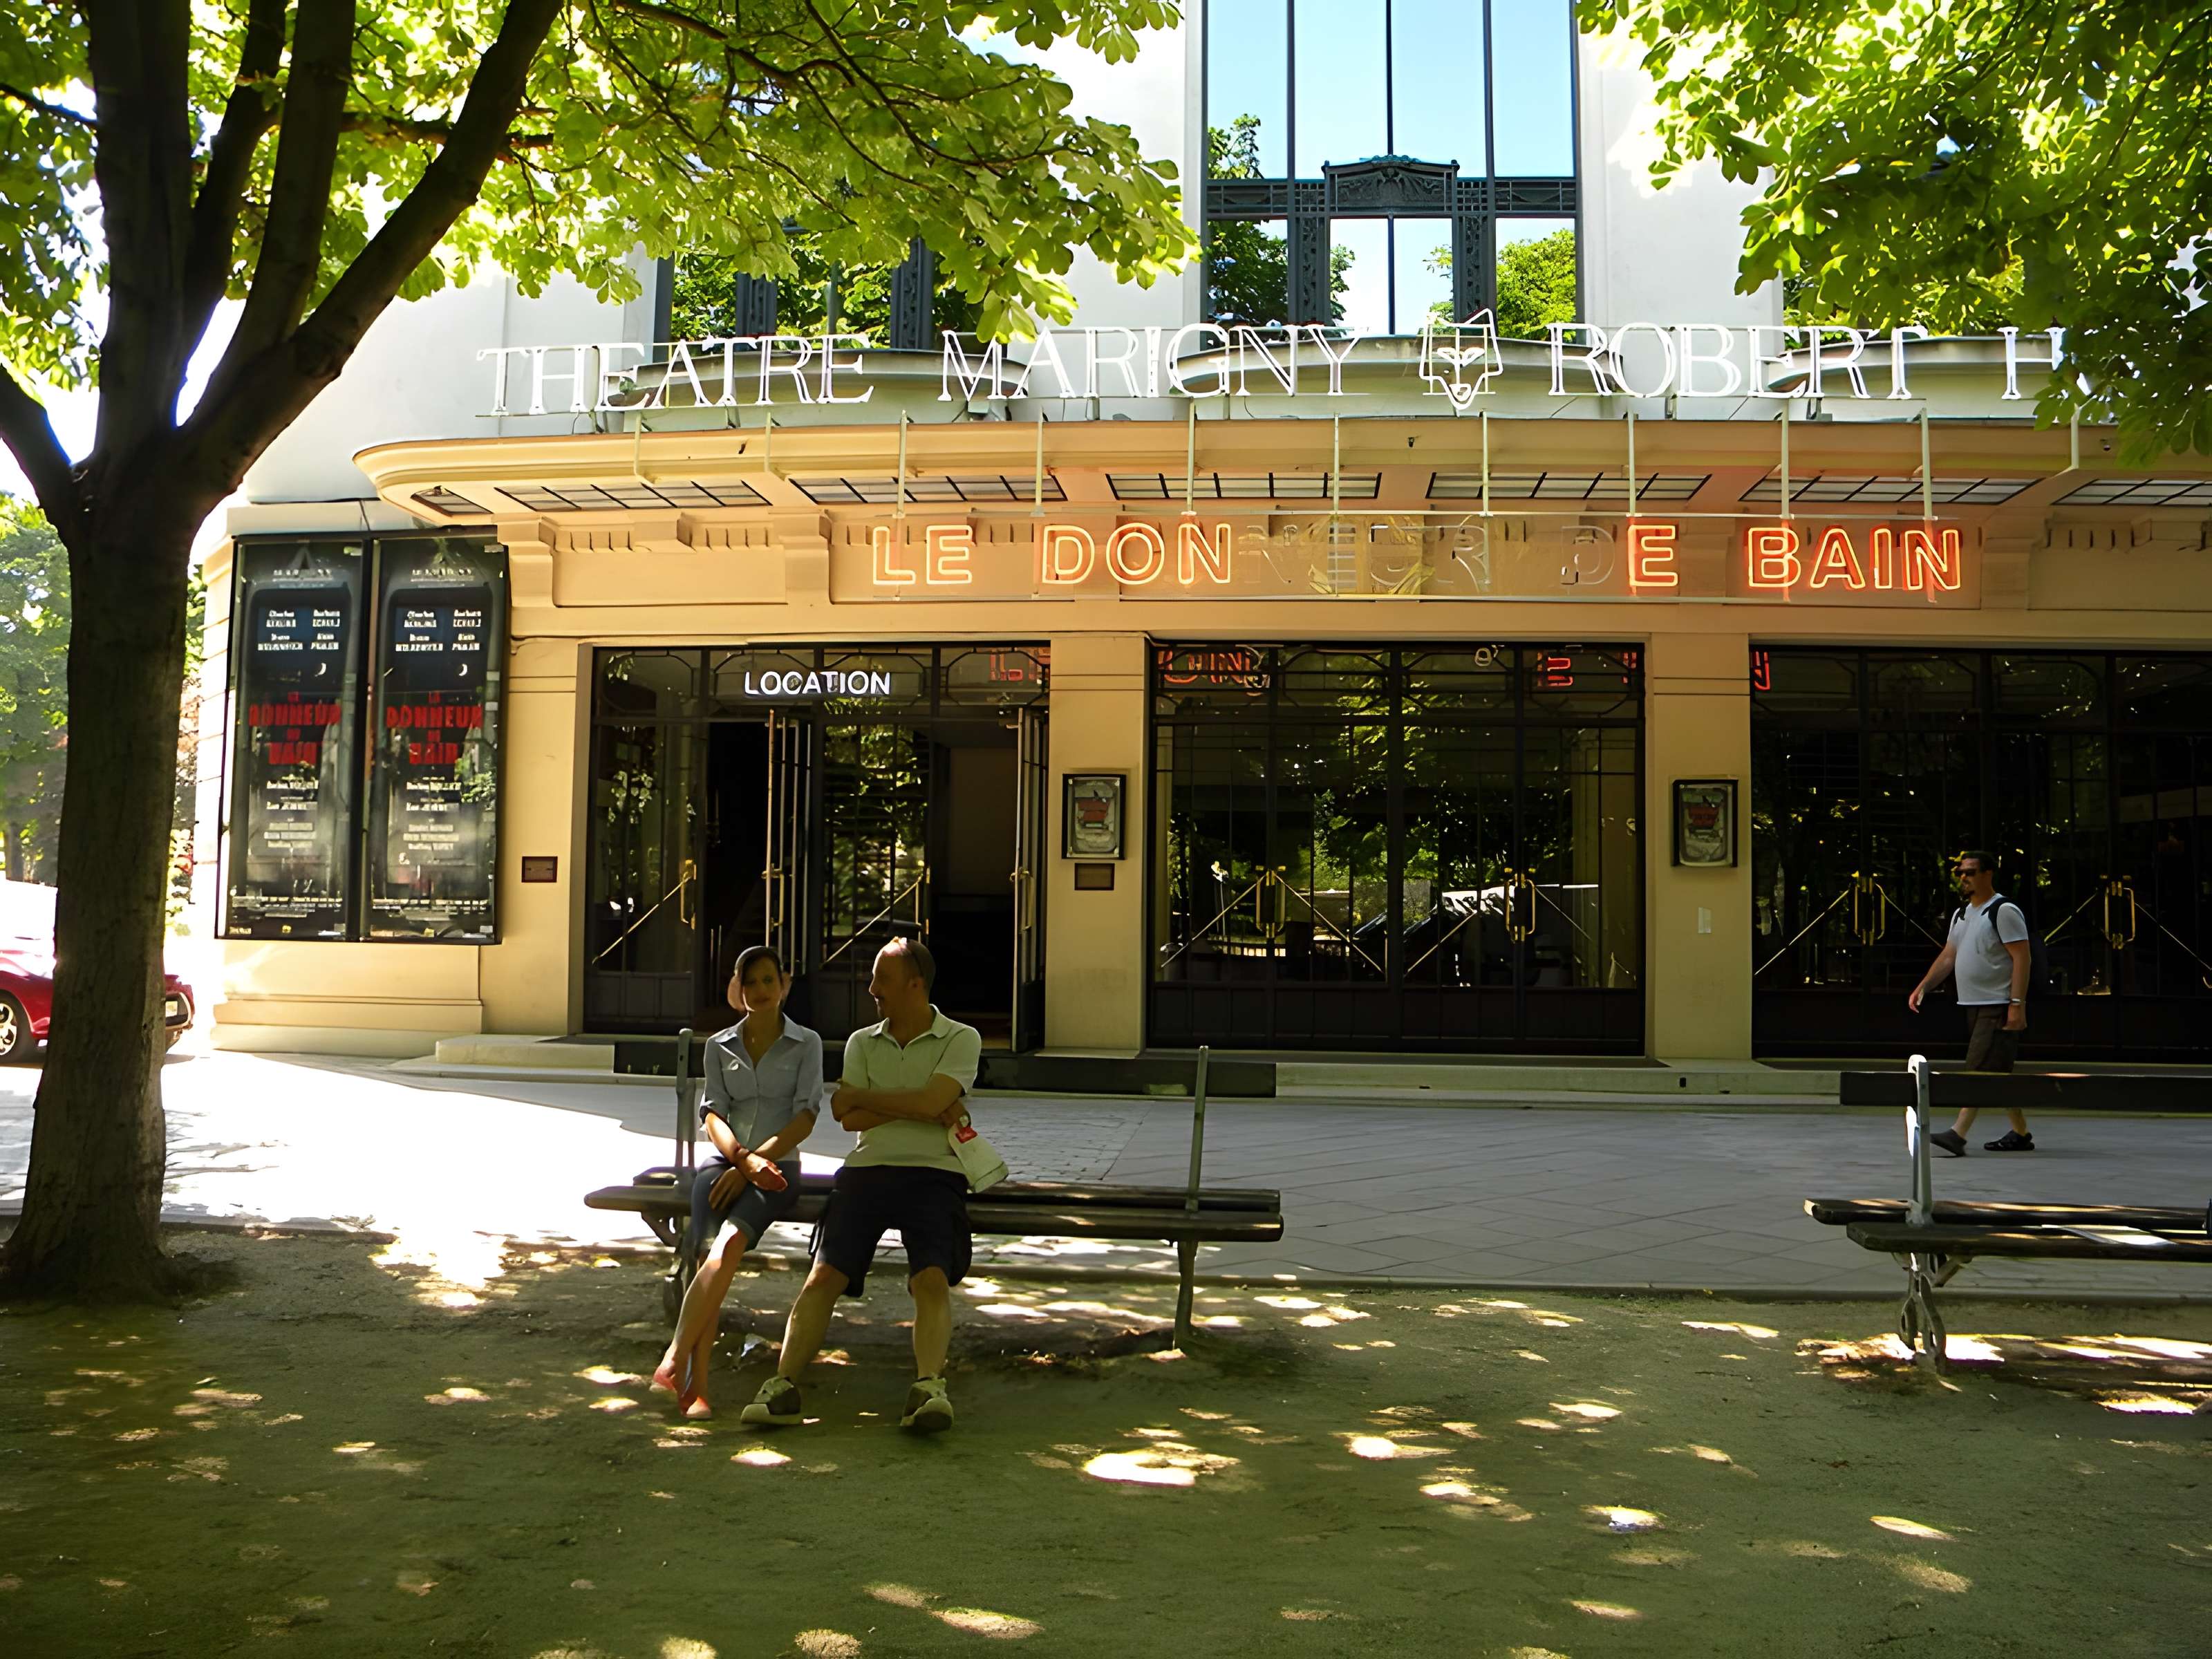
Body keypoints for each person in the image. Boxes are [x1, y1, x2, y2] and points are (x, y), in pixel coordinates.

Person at [739, 936, 982, 1434]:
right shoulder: (860, 1042)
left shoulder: (962, 1038)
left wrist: (873, 1099)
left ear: (915, 985)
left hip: (938, 1172)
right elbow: (846, 1116)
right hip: (867, 1170)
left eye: (882, 980)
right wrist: (924, 1105)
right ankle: (782, 1385)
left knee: (929, 1278)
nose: (871, 989)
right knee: (824, 1275)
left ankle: (928, 1388)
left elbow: (864, 1103)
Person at [650, 944, 822, 1418]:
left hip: (777, 1170)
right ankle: (696, 1389)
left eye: (770, 981)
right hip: (723, 1165)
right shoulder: (719, 1045)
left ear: (784, 985)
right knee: (708, 1256)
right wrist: (739, 1162)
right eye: (751, 982)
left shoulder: (806, 1043)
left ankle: (675, 1358)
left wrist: (754, 1165)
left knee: (725, 1249)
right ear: (737, 989)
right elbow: (713, 1115)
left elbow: (806, 1117)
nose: (761, 991)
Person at [1907, 849, 2034, 1156]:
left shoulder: (2003, 911)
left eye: (1970, 872)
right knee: (1997, 1072)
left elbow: (2022, 957)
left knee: (1977, 1069)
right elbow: (1949, 955)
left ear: (1988, 874)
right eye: (1960, 873)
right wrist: (1925, 984)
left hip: (1998, 1005)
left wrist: (2017, 1004)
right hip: (1972, 1005)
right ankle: (2020, 1133)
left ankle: (1957, 1134)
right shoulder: (1962, 914)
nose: (1963, 878)